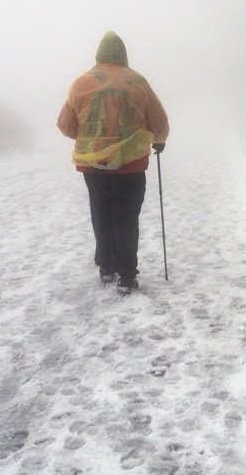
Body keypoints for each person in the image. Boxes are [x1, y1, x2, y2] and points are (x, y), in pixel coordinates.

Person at [57, 31, 169, 294]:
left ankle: (106, 266)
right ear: (123, 55)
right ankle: (127, 276)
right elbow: (159, 120)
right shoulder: (136, 81)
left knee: (101, 213)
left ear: (99, 55)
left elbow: (65, 125)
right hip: (129, 164)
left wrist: (91, 137)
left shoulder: (81, 82)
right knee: (126, 217)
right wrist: (159, 140)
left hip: (93, 164)